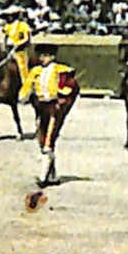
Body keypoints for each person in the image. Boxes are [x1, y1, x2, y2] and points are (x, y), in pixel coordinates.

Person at [20, 42, 78, 188]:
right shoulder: (35, 71)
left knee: (49, 140)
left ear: (52, 56)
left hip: (54, 107)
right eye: (41, 55)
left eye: (45, 55)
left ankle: (42, 177)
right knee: (41, 138)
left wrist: (62, 98)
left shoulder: (61, 70)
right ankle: (52, 176)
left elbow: (71, 86)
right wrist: (23, 96)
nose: (42, 58)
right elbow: (26, 87)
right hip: (41, 107)